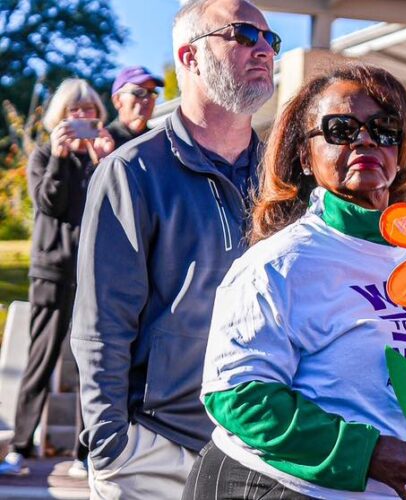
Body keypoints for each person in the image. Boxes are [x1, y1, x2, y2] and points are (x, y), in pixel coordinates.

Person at [183, 63, 406, 500]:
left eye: (384, 128)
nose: (365, 139)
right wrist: (366, 453)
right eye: (341, 128)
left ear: (401, 153)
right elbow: (238, 395)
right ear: (305, 155)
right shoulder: (281, 262)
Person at [70, 0, 276, 497]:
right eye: (244, 35)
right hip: (155, 451)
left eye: (272, 40)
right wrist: (110, 445)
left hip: (261, 449)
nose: (264, 50)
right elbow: (102, 325)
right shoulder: (131, 172)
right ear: (190, 57)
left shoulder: (285, 179)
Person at [0, 79, 114, 478]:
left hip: (91, 276)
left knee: (88, 363)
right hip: (51, 272)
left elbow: (114, 208)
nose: (82, 118)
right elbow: (49, 203)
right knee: (40, 358)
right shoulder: (46, 155)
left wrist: (104, 163)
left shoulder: (103, 160)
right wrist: (59, 158)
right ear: (59, 118)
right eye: (74, 112)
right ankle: (20, 445)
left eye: (88, 112)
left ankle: (83, 451)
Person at [106, 66, 165, 148]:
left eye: (152, 92)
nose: (147, 99)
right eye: (139, 92)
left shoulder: (160, 140)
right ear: (117, 100)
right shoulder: (104, 141)